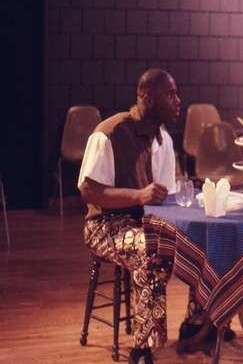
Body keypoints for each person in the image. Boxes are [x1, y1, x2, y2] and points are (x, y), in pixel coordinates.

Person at [78, 68, 180, 364]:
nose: (178, 101)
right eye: (170, 94)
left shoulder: (164, 140)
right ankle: (141, 348)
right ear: (146, 97)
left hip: (141, 224)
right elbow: (88, 191)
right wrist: (138, 196)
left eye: (177, 94)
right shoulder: (109, 133)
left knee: (191, 244)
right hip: (104, 225)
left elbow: (164, 196)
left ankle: (197, 324)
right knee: (149, 249)